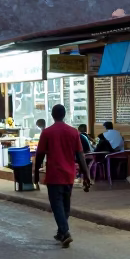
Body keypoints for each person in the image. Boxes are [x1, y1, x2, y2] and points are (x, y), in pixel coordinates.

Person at [34, 104, 92, 247]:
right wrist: (87, 175)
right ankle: (61, 232)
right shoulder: (73, 132)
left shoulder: (47, 132)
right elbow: (80, 155)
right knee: (65, 205)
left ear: (53, 115)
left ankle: (65, 232)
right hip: (69, 174)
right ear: (64, 115)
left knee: (57, 205)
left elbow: (40, 154)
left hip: (54, 175)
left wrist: (35, 173)